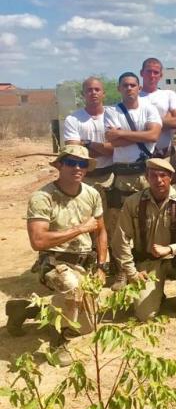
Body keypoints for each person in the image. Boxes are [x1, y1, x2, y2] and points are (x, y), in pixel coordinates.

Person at [10, 146, 109, 361]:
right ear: (59, 165)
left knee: (88, 326)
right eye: (71, 162)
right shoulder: (42, 197)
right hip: (54, 261)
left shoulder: (92, 194)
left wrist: (102, 266)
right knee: (72, 289)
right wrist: (79, 229)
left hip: (84, 263)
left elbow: (101, 232)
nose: (77, 167)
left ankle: (24, 309)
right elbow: (38, 241)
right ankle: (60, 342)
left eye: (82, 164)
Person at [112, 158, 176, 320]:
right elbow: (120, 241)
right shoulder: (133, 203)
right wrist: (132, 273)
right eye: (153, 175)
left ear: (171, 178)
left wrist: (172, 248)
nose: (158, 180)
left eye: (163, 175)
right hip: (147, 264)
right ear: (146, 177)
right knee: (145, 316)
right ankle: (157, 294)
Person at [104, 72, 162, 279]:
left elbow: (154, 135)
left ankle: (147, 263)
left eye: (133, 85)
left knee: (148, 219)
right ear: (119, 88)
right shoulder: (112, 112)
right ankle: (121, 270)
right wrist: (140, 135)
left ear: (139, 88)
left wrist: (122, 133)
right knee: (119, 223)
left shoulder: (149, 109)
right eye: (125, 85)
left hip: (146, 174)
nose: (129, 89)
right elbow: (113, 141)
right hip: (122, 176)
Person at [63, 77, 115, 217]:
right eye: (89, 90)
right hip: (84, 179)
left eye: (97, 89)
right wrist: (106, 149)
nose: (93, 93)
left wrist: (87, 144)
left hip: (110, 178)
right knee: (85, 220)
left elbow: (117, 148)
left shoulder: (114, 116)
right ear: (83, 94)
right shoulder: (73, 119)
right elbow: (74, 153)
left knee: (111, 222)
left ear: (104, 93)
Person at [139, 57, 176, 159]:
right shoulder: (135, 98)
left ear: (161, 75)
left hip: (166, 154)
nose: (152, 75)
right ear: (141, 73)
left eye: (156, 72)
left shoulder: (168, 94)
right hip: (141, 155)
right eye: (149, 71)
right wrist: (167, 120)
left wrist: (148, 127)